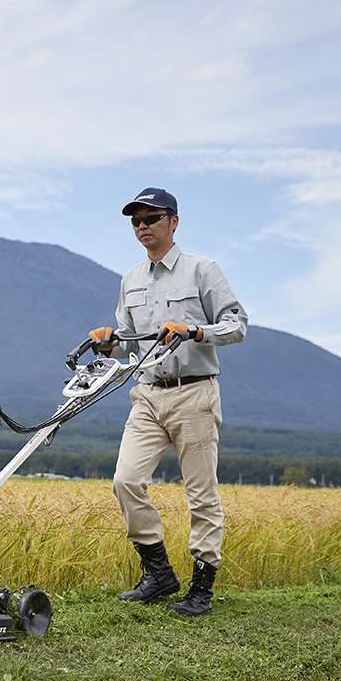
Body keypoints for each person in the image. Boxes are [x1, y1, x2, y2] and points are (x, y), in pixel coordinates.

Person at [89, 187, 247, 616]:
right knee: (126, 480)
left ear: (173, 221)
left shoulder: (201, 270)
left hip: (194, 392)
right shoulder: (130, 279)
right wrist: (107, 342)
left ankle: (202, 589)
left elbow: (237, 325)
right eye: (136, 221)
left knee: (201, 494)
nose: (143, 226)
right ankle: (158, 573)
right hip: (148, 395)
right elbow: (128, 342)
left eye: (151, 218)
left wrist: (195, 331)